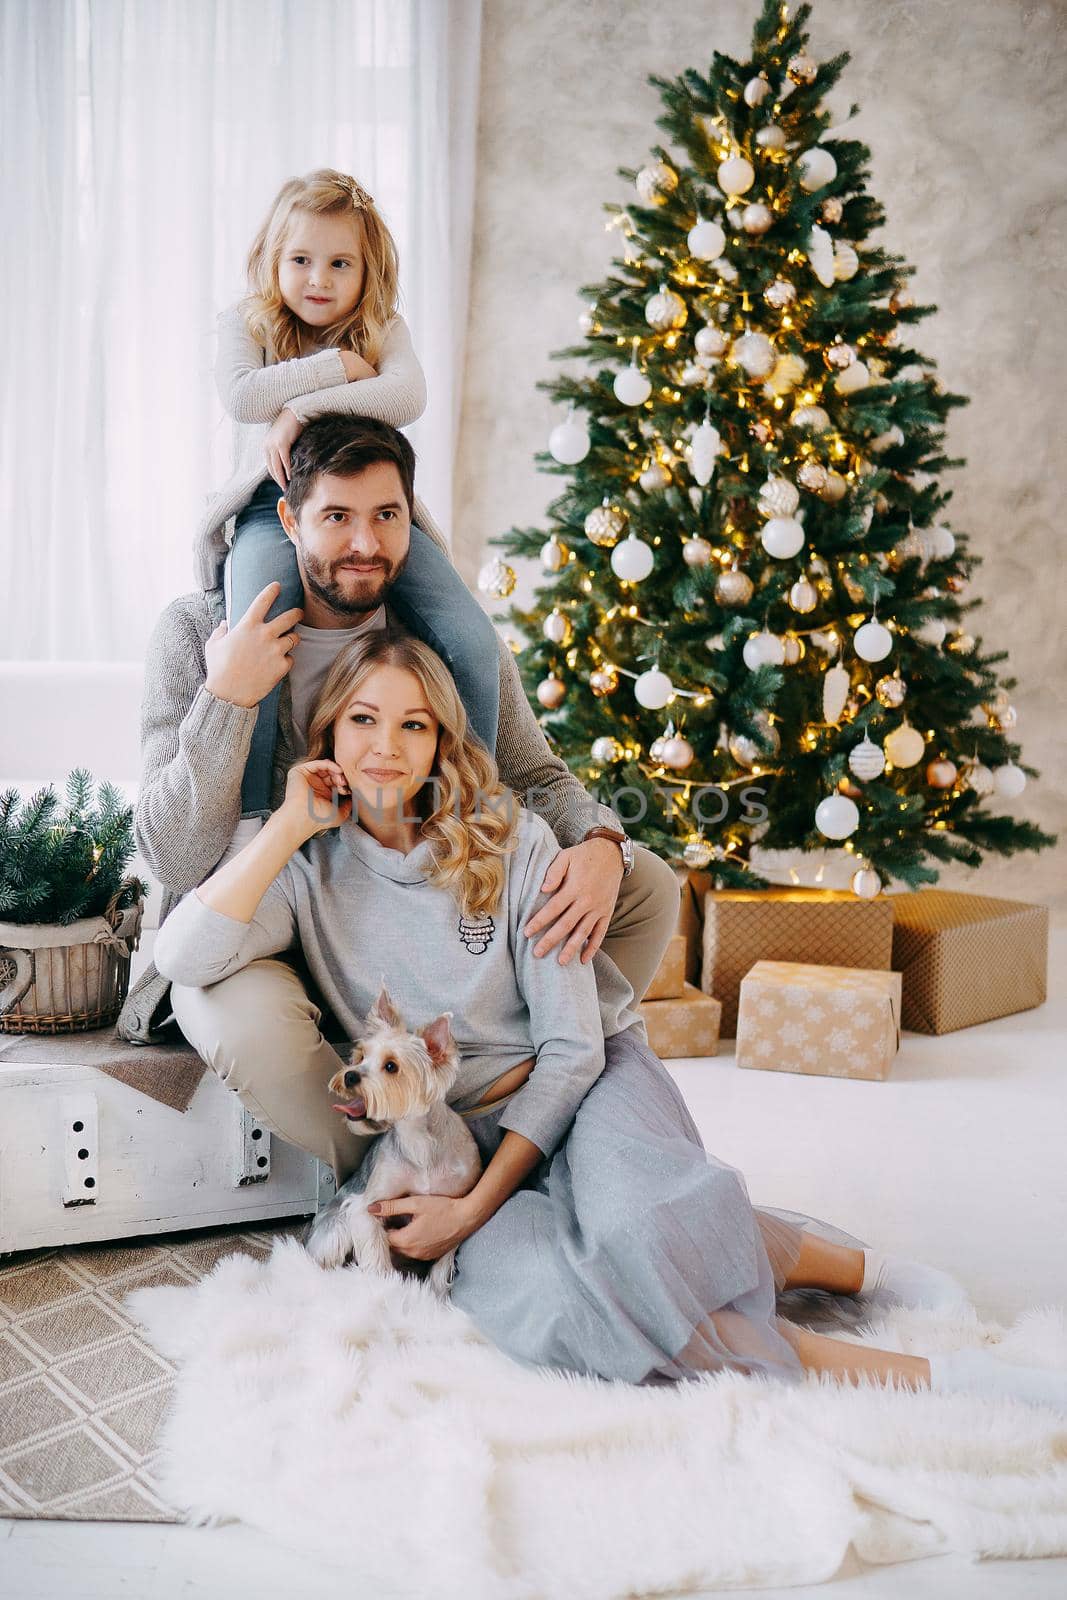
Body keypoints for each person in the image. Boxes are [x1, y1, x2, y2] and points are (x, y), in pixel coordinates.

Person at [152, 631, 1067, 1412]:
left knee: (641, 1236)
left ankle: (895, 1323)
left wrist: (475, 1207)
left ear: (441, 743)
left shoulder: (510, 842)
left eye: (413, 724)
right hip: (453, 1133)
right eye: (361, 719)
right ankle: (895, 1341)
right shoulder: (304, 870)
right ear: (327, 734)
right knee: (562, 1303)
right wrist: (284, 831)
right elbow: (182, 960)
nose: (385, 747)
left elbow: (569, 1048)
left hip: (587, 1085)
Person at [117, 417, 680, 1148]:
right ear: (290, 519)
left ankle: (528, 1088)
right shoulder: (199, 633)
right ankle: (394, 1179)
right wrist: (229, 699)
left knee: (645, 885)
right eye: (335, 518)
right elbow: (172, 857)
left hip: (407, 913)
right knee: (236, 1019)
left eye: (386, 516)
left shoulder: (444, 637)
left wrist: (602, 841)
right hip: (265, 910)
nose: (364, 544)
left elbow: (532, 772)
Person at [199, 166, 498, 835]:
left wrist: (300, 407)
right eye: (300, 260)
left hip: (374, 518)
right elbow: (243, 397)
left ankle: (477, 807)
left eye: (340, 264)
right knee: (259, 641)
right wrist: (338, 369)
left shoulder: (382, 327)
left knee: (472, 640)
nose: (319, 279)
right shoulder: (244, 322)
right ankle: (252, 819)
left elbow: (405, 396)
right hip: (267, 513)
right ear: (272, 261)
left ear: (369, 271)